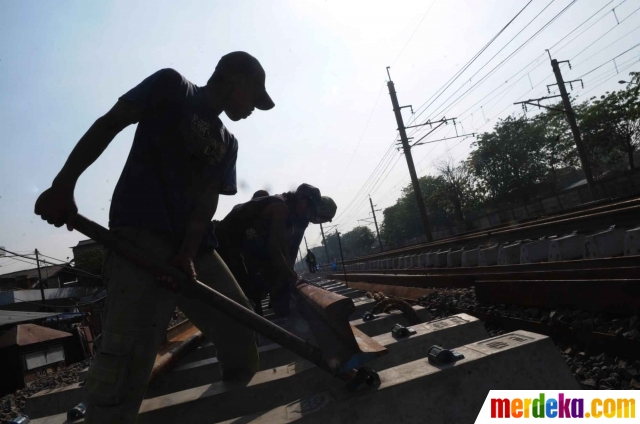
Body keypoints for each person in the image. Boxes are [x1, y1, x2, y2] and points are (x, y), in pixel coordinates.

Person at [34, 51, 274, 423]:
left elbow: (207, 202)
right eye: (255, 98)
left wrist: (187, 254)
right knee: (128, 355)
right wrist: (63, 184)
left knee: (240, 326)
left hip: (196, 250)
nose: (255, 109)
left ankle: (232, 406)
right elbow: (110, 123)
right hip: (139, 235)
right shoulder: (172, 86)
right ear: (237, 79)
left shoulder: (229, 142)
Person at [214, 184, 337, 316]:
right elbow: (275, 250)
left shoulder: (288, 212)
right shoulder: (281, 208)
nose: (309, 212)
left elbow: (282, 247)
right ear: (301, 199)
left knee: (257, 289)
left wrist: (290, 274)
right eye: (309, 207)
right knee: (248, 294)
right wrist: (293, 277)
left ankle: (260, 327)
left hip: (238, 245)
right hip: (223, 243)